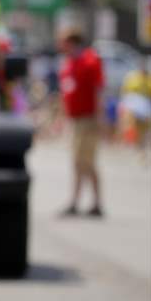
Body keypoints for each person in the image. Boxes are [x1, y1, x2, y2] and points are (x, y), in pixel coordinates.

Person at [57, 28, 105, 217]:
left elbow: (98, 91)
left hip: (88, 119)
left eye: (64, 43)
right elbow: (65, 93)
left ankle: (96, 203)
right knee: (77, 162)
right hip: (75, 119)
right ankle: (75, 202)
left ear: (72, 42)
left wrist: (100, 120)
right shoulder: (68, 64)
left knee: (87, 162)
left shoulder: (90, 61)